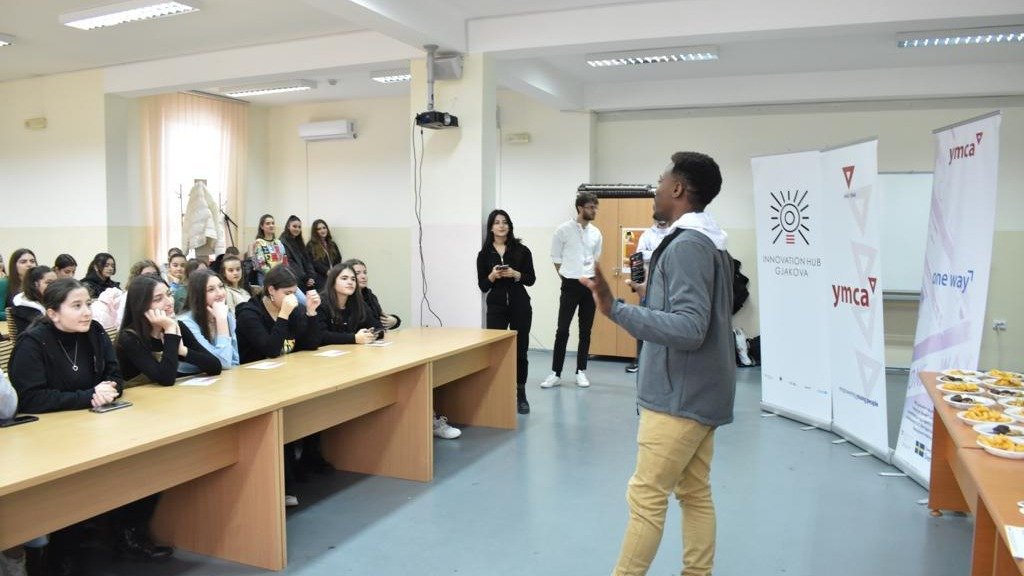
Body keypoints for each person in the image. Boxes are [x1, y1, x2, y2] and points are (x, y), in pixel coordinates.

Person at [581, 151, 736, 576]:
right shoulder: (708, 241)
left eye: (661, 179)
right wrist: (655, 290)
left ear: (678, 189)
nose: (656, 186)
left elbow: (689, 328)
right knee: (694, 492)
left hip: (677, 397)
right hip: (704, 389)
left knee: (647, 496)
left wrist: (616, 309)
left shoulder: (687, 245)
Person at [234, 265, 321, 506]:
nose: (293, 297)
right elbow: (271, 350)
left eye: (295, 292)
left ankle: (305, 463)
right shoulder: (248, 313)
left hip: (282, 379)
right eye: (287, 292)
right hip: (252, 385)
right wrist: (283, 315)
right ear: (271, 290)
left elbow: (310, 343)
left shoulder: (292, 309)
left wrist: (311, 313)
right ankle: (281, 483)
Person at [539, 192, 602, 389]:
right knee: (562, 330)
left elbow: (596, 259)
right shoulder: (563, 230)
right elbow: (556, 258)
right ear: (580, 208)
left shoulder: (597, 233)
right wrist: (567, 278)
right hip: (570, 284)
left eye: (595, 207)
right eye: (591, 207)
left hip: (589, 284)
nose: (594, 211)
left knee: (586, 331)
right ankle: (555, 373)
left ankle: (581, 371)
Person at [476, 209, 536, 414]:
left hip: (520, 305)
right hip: (496, 307)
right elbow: (483, 286)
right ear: (491, 227)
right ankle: (497, 392)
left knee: (521, 351)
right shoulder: (484, 255)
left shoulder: (522, 250)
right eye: (497, 222)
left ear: (509, 226)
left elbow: (531, 279)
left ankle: (521, 393)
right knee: (497, 352)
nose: (501, 226)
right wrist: (493, 275)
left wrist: (516, 273)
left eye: (505, 222)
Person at [116, 274, 222, 386]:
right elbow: (166, 378)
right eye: (158, 299)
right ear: (141, 306)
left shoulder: (177, 325)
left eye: (169, 294)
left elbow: (215, 366)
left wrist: (182, 350)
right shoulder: (129, 338)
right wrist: (170, 330)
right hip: (137, 398)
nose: (169, 302)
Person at [624, 218, 672, 373]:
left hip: (670, 286)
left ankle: (664, 362)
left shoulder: (674, 233)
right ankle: (640, 359)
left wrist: (652, 254)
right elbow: (638, 256)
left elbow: (675, 254)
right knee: (643, 320)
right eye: (659, 219)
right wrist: (662, 253)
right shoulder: (647, 235)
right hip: (648, 286)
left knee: (667, 322)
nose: (661, 221)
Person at [178, 269, 240, 370]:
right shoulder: (186, 322)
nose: (220, 293)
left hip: (218, 379)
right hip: (190, 380)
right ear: (198, 295)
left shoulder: (226, 315)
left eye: (221, 286)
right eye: (211, 290)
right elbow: (223, 363)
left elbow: (234, 361)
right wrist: (221, 321)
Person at [317, 262, 383, 345]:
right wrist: (354, 338)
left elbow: (378, 327)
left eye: (353, 279)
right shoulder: (320, 302)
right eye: (344, 278)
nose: (350, 282)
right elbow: (320, 336)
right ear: (333, 282)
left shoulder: (358, 302)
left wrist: (369, 334)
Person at [350, 259, 401, 330]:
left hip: (375, 337)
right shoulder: (348, 298)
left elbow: (379, 317)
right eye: (357, 273)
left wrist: (395, 320)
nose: (363, 276)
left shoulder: (369, 295)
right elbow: (371, 323)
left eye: (365, 272)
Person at [10, 265, 56, 335]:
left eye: (56, 282)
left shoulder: (50, 300)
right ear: (35, 284)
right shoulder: (24, 307)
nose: (54, 286)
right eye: (48, 282)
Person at [280, 215, 317, 293]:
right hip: (293, 280)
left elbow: (307, 261)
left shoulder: (299, 241)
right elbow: (290, 263)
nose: (297, 229)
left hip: (305, 279)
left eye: (299, 227)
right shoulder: (282, 242)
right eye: (294, 226)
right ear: (288, 226)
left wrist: (311, 276)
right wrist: (305, 278)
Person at [248, 214, 287, 286]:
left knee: (301, 297)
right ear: (262, 226)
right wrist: (276, 276)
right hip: (266, 279)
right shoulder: (259, 243)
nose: (271, 225)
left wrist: (285, 274)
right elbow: (261, 265)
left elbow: (284, 261)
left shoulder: (278, 242)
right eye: (268, 223)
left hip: (281, 277)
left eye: (273, 223)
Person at [307, 219, 342, 289]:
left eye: (324, 228)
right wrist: (326, 271)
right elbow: (313, 262)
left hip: (334, 276)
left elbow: (339, 258)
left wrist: (335, 271)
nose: (322, 230)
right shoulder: (311, 245)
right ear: (315, 232)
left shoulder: (332, 244)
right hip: (320, 278)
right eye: (319, 229)